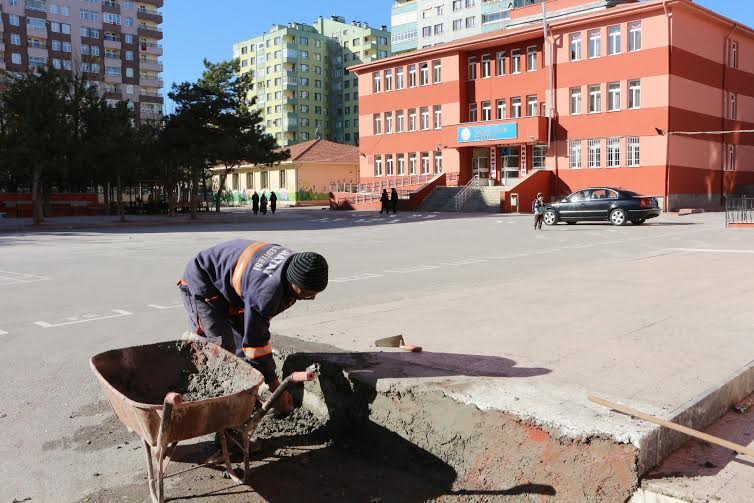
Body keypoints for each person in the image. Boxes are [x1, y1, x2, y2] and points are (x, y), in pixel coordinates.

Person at [178, 241, 329, 414]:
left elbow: (253, 336)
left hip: (231, 288)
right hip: (202, 283)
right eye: (306, 293)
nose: (312, 298)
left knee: (243, 350)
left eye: (316, 292)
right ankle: (218, 403)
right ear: (292, 282)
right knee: (221, 350)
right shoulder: (266, 294)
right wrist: (276, 388)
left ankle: (246, 397)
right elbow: (256, 344)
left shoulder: (296, 263)